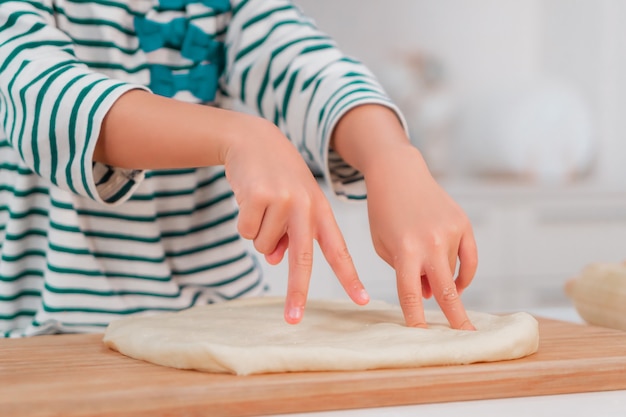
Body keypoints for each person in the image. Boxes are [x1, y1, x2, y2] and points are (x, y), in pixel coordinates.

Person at [0, 0, 477, 338]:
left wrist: (390, 155)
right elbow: (41, 96)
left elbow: (303, 65)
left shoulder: (228, 6)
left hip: (218, 319)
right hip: (55, 327)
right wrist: (239, 136)